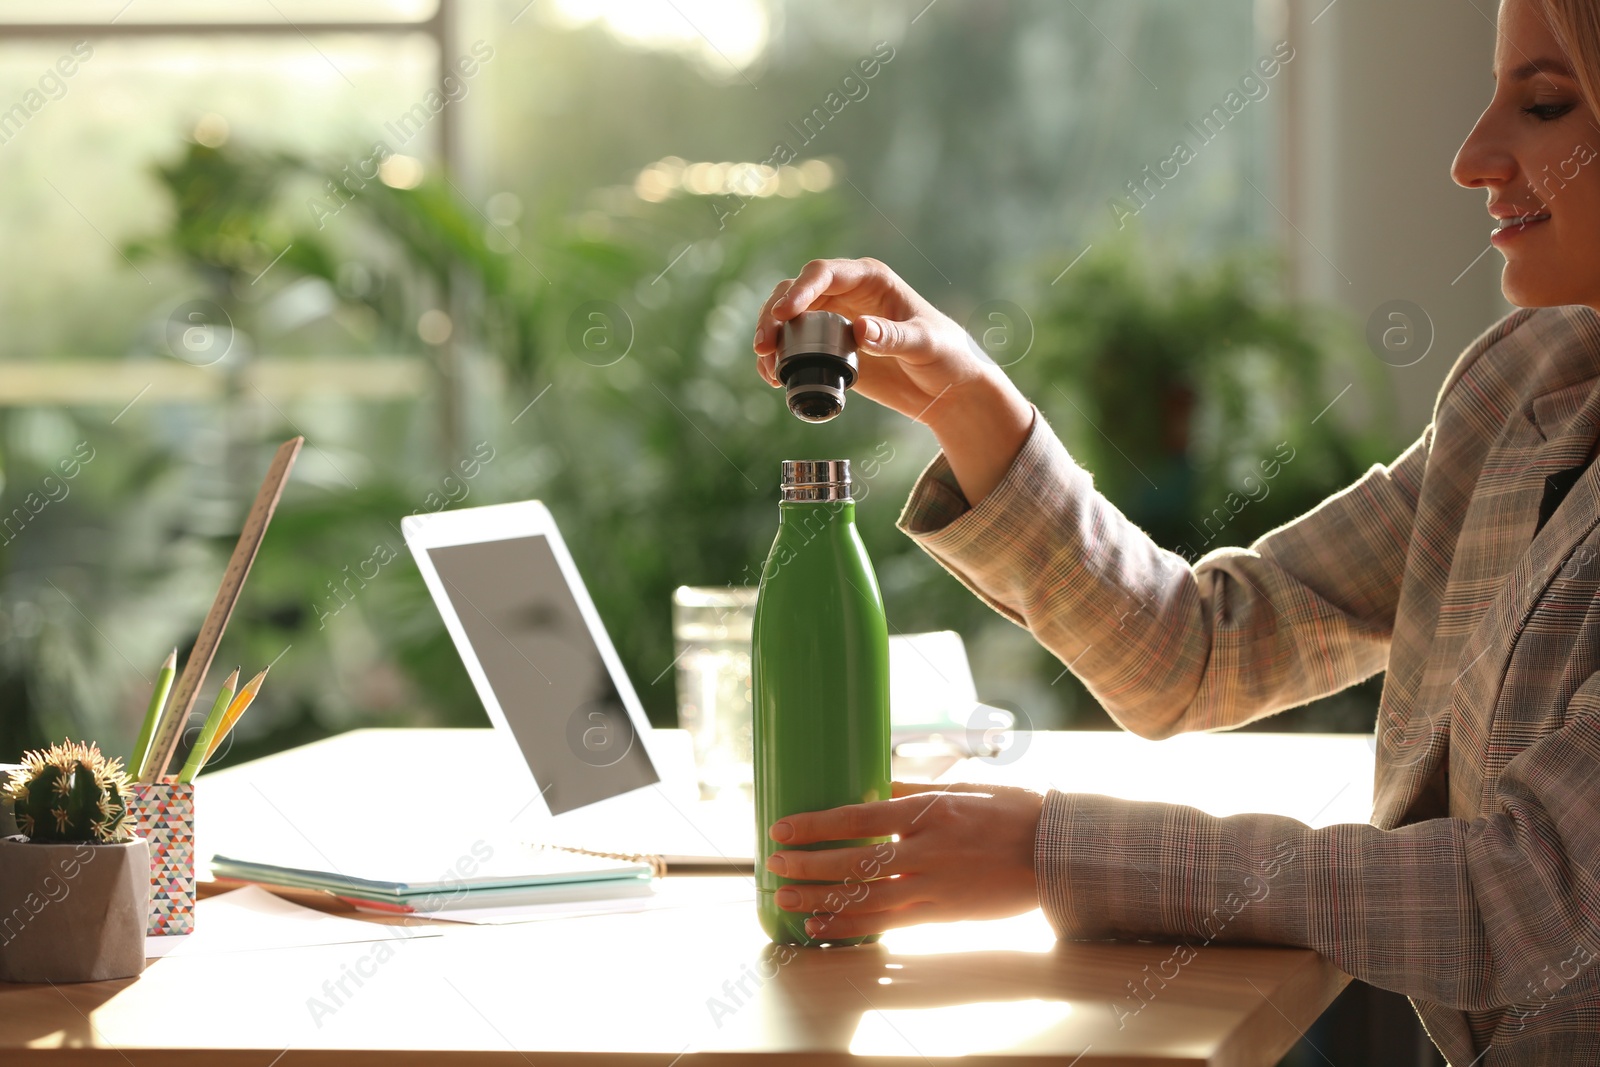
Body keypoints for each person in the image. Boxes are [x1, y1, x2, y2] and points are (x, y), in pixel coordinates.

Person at [750, 0, 1600, 1062]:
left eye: (1546, 102)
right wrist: (965, 398)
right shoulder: (1525, 390)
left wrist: (1050, 852)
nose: (1472, 157)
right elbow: (1197, 651)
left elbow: (1519, 904)